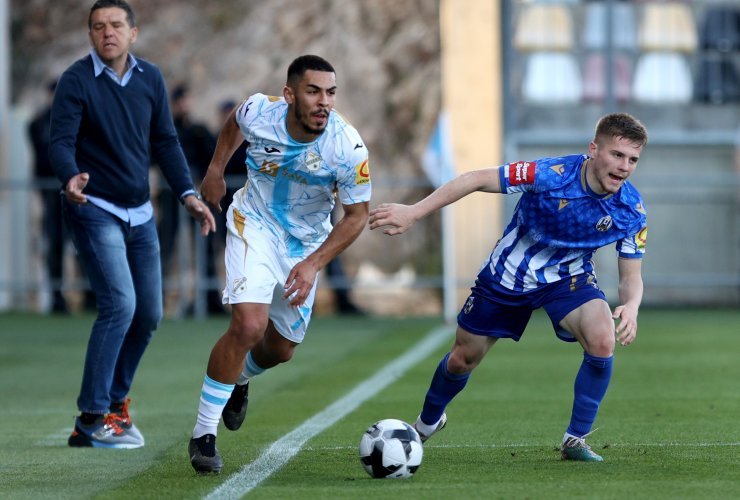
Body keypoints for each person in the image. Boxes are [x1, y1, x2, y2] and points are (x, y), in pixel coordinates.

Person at [369, 112, 648, 462]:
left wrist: (632, 305)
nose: (624, 166)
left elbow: (630, 276)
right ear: (594, 149)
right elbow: (474, 179)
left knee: (603, 337)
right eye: (616, 155)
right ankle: (426, 423)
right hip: (508, 275)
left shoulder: (631, 210)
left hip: (568, 278)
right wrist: (414, 211)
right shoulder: (549, 175)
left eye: (632, 159)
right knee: (462, 359)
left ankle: (576, 440)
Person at [188, 54, 371, 473]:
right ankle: (203, 435)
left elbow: (357, 216)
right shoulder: (261, 111)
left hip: (305, 246)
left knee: (281, 349)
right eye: (313, 91)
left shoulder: (347, 146)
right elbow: (235, 121)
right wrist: (216, 171)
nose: (324, 101)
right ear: (289, 95)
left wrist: (312, 264)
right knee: (249, 325)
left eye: (330, 93)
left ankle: (240, 380)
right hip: (253, 223)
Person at [49, 0, 215, 449]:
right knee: (120, 305)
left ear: (133, 33)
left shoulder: (150, 79)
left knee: (149, 313)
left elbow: (165, 141)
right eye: (98, 26)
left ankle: (116, 403)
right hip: (94, 207)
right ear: (90, 36)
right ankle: (91, 416)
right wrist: (70, 176)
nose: (108, 33)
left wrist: (188, 194)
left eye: (116, 25)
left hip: (141, 213)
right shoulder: (75, 81)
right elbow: (59, 141)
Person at [157, 83, 222, 314]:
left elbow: (212, 158)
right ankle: (156, 298)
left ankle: (210, 300)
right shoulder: (166, 130)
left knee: (205, 247)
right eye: (180, 100)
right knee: (164, 246)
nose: (184, 104)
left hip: (198, 197)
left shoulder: (198, 131)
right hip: (171, 197)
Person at [28, 79, 68, 313]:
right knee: (54, 242)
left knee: (81, 242)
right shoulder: (39, 124)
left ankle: (88, 296)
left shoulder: (74, 119)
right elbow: (45, 157)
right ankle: (56, 296)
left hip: (72, 191)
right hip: (52, 193)